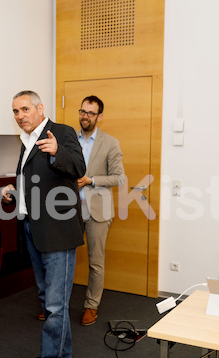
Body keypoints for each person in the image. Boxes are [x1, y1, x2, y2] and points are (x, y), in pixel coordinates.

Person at [2, 90, 85, 358]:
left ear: (40, 109)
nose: (20, 115)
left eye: (24, 109)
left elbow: (79, 167)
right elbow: (38, 181)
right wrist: (17, 191)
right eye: (15, 111)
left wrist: (57, 152)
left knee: (54, 303)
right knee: (48, 296)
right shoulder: (25, 142)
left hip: (58, 232)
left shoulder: (61, 132)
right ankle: (62, 353)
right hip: (33, 229)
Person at [76, 95, 125, 326]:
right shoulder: (69, 140)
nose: (85, 116)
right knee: (61, 260)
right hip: (68, 210)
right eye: (83, 111)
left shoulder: (110, 143)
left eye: (91, 113)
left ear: (99, 116)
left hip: (98, 211)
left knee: (96, 262)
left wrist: (91, 180)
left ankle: (91, 306)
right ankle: (53, 305)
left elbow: (119, 177)